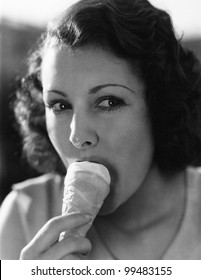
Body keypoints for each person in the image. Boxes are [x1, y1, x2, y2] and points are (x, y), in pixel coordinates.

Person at [0, 0, 201, 260]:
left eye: (109, 102)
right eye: (60, 105)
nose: (78, 136)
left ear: (160, 105)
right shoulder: (22, 216)